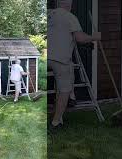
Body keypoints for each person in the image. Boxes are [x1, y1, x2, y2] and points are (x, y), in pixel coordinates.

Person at [48, 0, 101, 129]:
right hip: (60, 59)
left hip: (47, 56)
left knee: (69, 68)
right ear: (69, 5)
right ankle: (56, 122)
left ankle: (71, 97)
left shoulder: (49, 14)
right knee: (63, 90)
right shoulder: (70, 17)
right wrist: (94, 37)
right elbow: (80, 38)